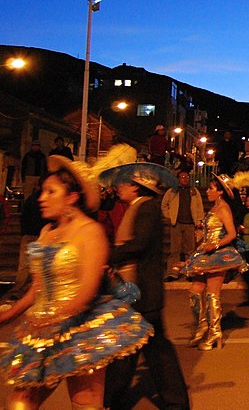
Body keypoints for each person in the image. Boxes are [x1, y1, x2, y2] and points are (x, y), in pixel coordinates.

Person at [0, 151, 153, 409]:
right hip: (41, 329)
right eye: (42, 191)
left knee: (84, 402)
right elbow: (37, 288)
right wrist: (9, 315)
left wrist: (52, 319)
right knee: (20, 401)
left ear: (71, 197)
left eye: (50, 192)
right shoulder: (46, 232)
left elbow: (87, 290)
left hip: (82, 330)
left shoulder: (90, 232)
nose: (41, 198)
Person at [101, 159, 191, 410]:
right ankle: (113, 398)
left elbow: (138, 244)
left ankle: (112, 399)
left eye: (124, 183)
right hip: (138, 293)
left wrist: (106, 255)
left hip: (143, 292)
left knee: (151, 351)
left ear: (137, 187)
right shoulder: (136, 207)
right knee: (134, 349)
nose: (118, 187)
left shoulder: (147, 208)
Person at [181, 175, 248, 350]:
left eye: (211, 188)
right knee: (195, 291)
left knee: (212, 294)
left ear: (220, 192)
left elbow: (232, 234)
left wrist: (215, 244)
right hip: (206, 252)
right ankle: (202, 324)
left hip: (219, 254)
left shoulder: (224, 208)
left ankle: (214, 331)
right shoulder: (214, 207)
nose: (207, 191)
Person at [161, 170, 204, 280]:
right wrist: (169, 216)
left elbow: (199, 206)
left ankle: (189, 272)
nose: (185, 179)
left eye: (187, 177)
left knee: (189, 250)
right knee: (174, 251)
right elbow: (164, 205)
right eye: (183, 177)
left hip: (190, 224)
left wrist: (199, 220)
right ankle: (173, 273)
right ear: (178, 179)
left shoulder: (194, 191)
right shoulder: (172, 191)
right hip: (177, 224)